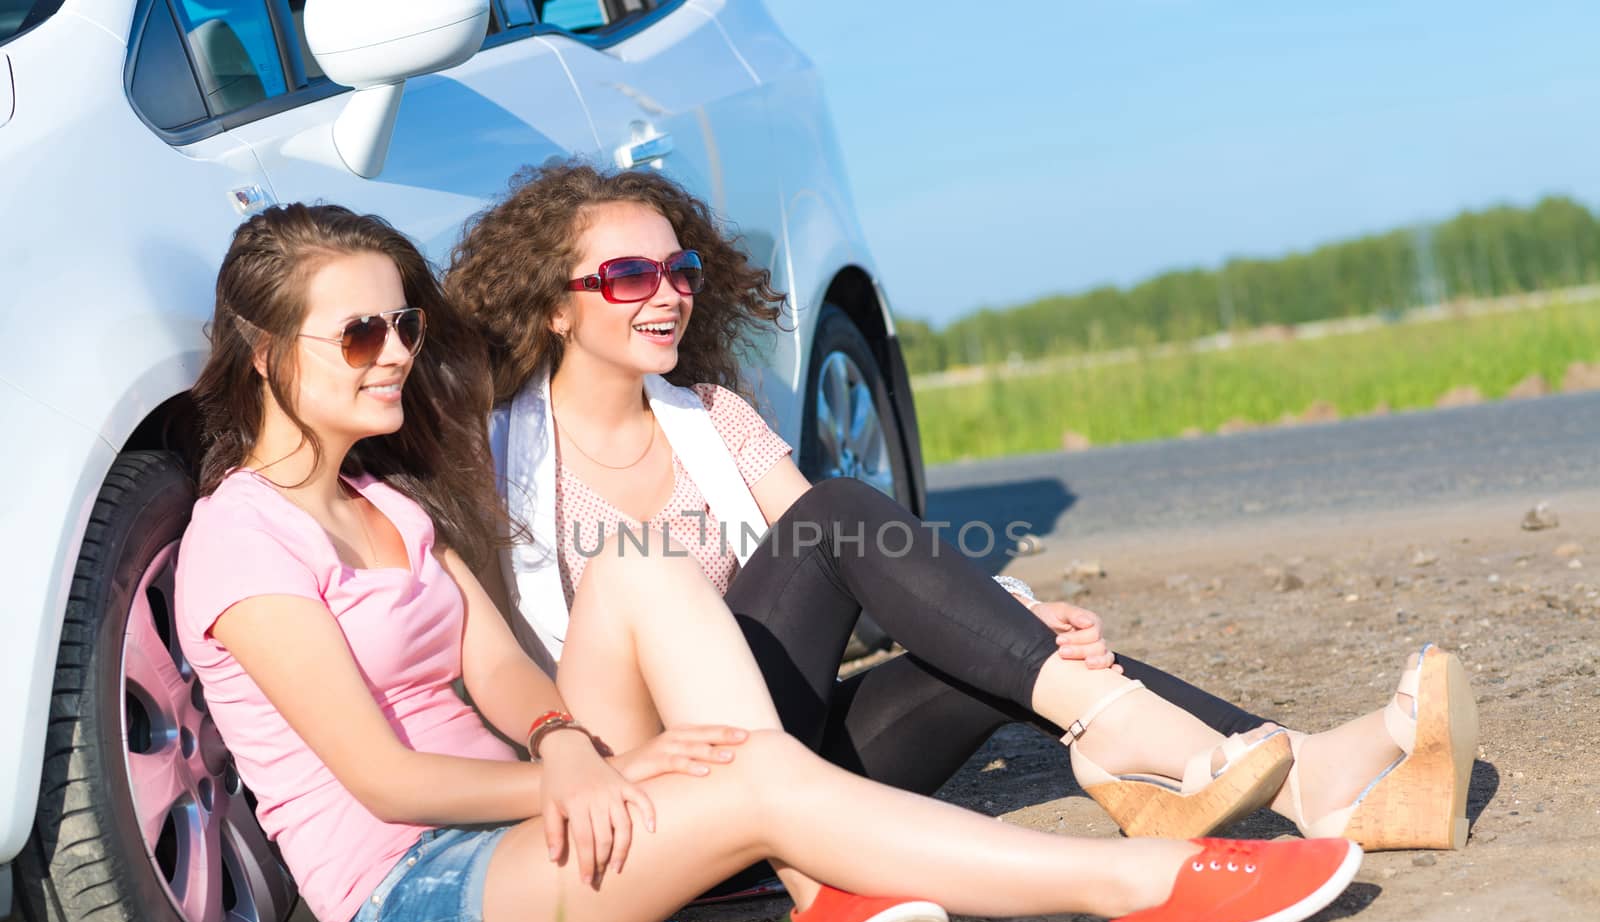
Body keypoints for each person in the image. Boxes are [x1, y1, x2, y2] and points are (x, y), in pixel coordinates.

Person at [174, 203, 1365, 922]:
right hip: (427, 911)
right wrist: (584, 781)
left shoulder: (389, 507)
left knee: (643, 572)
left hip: (536, 824)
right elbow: (385, 782)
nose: (393, 354)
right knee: (750, 774)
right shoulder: (242, 537)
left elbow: (515, 689)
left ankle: (826, 878)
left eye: (406, 326)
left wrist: (571, 744)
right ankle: (1145, 891)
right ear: (268, 355)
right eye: (360, 333)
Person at [443, 161, 1479, 874]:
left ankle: (1316, 784)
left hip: (775, 755)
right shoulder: (489, 463)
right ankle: (1152, 738)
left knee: (995, 650)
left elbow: (867, 581)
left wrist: (1019, 617)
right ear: (552, 303)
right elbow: (493, 666)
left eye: (680, 271)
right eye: (627, 274)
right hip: (644, 790)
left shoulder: (713, 419)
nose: (664, 294)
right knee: (847, 513)